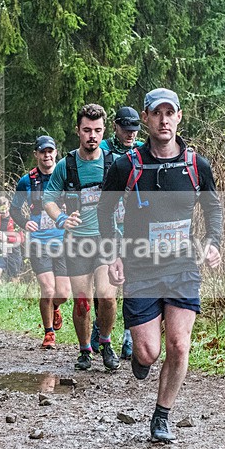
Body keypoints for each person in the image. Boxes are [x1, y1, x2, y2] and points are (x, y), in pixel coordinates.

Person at [99, 88, 222, 443]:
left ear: (179, 117)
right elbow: (105, 212)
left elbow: (213, 207)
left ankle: (162, 416)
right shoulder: (127, 165)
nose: (164, 120)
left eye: (171, 113)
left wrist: (213, 242)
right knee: (148, 352)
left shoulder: (196, 165)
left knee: (179, 344)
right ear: (147, 118)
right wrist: (112, 253)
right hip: (140, 267)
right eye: (157, 113)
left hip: (183, 264)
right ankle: (141, 359)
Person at [42, 104, 120, 372]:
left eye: (97, 131)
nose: (92, 136)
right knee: (82, 301)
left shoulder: (113, 163)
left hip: (107, 239)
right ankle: (85, 350)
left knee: (108, 297)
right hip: (77, 242)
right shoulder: (67, 165)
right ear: (78, 131)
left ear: (104, 131)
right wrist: (61, 219)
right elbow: (49, 198)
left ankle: (106, 342)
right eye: (87, 130)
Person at [90, 106, 145, 359]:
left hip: (135, 226)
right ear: (115, 127)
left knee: (132, 285)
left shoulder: (144, 149)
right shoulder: (100, 151)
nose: (130, 135)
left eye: (134, 130)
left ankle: (129, 336)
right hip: (106, 224)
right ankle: (98, 326)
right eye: (126, 130)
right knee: (106, 288)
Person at [10, 135, 71, 349]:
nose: (47, 155)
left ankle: (55, 308)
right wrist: (25, 222)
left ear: (55, 153)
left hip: (63, 241)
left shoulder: (65, 176)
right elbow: (14, 209)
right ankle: (49, 333)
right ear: (36, 154)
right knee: (47, 288)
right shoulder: (27, 181)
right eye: (42, 151)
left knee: (62, 293)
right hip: (38, 242)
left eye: (50, 151)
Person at [0, 196, 24, 284]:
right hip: (1, 251)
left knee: (14, 280)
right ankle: (0, 292)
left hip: (14, 252)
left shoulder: (15, 219)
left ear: (8, 206)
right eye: (1, 210)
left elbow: (21, 239)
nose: (4, 212)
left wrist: (7, 238)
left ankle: (11, 296)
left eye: (5, 209)